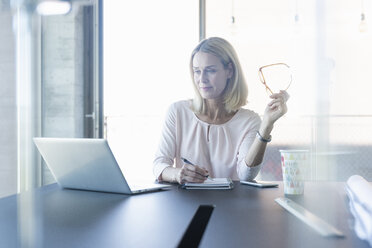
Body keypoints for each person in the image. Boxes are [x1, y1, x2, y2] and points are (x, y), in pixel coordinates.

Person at [153, 37, 289, 184]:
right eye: (197, 71)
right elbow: (159, 165)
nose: (202, 79)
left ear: (229, 71)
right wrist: (178, 174)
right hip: (187, 201)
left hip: (230, 204)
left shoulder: (249, 121)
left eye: (210, 71)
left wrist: (267, 125)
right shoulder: (178, 112)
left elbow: (246, 175)